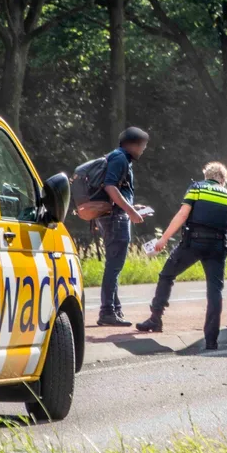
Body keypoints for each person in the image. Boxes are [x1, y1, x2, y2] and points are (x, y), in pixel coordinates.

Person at [136, 162, 227, 349]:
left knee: (167, 275)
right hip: (217, 247)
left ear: (207, 175)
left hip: (193, 243)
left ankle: (155, 318)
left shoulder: (196, 188)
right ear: (223, 180)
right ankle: (211, 340)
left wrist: (164, 239)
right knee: (214, 292)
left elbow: (183, 214)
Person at [96, 127, 151, 327]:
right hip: (116, 219)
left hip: (113, 217)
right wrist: (131, 212)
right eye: (142, 146)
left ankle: (114, 310)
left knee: (114, 265)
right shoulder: (120, 159)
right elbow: (110, 186)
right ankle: (107, 312)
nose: (143, 150)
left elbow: (117, 191)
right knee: (114, 266)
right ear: (132, 144)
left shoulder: (117, 158)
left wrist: (133, 207)